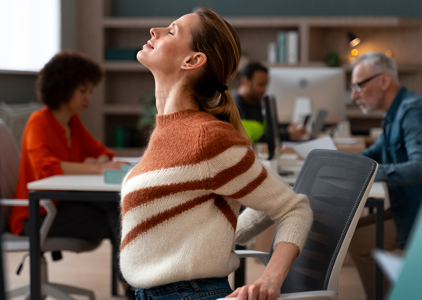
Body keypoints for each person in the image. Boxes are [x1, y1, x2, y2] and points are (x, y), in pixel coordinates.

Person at [118, 7, 313, 300]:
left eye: (171, 31)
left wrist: (270, 279)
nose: (154, 31)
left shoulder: (207, 138)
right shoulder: (167, 131)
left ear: (193, 60)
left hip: (186, 294)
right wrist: (215, 240)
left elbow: (293, 208)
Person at [7, 51, 133, 295]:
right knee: (118, 214)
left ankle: (130, 284)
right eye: (83, 90)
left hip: (61, 206)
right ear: (64, 89)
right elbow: (46, 168)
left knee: (118, 210)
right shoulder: (39, 122)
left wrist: (95, 162)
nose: (89, 97)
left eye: (90, 91)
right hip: (36, 215)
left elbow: (103, 153)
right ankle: (130, 285)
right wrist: (94, 167)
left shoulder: (72, 123)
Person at [348, 51, 422, 299]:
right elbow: (374, 153)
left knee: (360, 240)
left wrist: (369, 174)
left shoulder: (414, 112)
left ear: (383, 81)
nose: (354, 95)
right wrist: (337, 166)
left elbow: (421, 167)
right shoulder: (395, 114)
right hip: (412, 209)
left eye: (359, 85)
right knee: (356, 235)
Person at [233, 62, 307, 144]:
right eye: (261, 85)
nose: (265, 89)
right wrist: (288, 135)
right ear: (245, 81)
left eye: (266, 85)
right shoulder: (235, 106)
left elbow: (265, 132)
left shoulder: (255, 101)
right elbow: (249, 137)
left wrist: (287, 131)